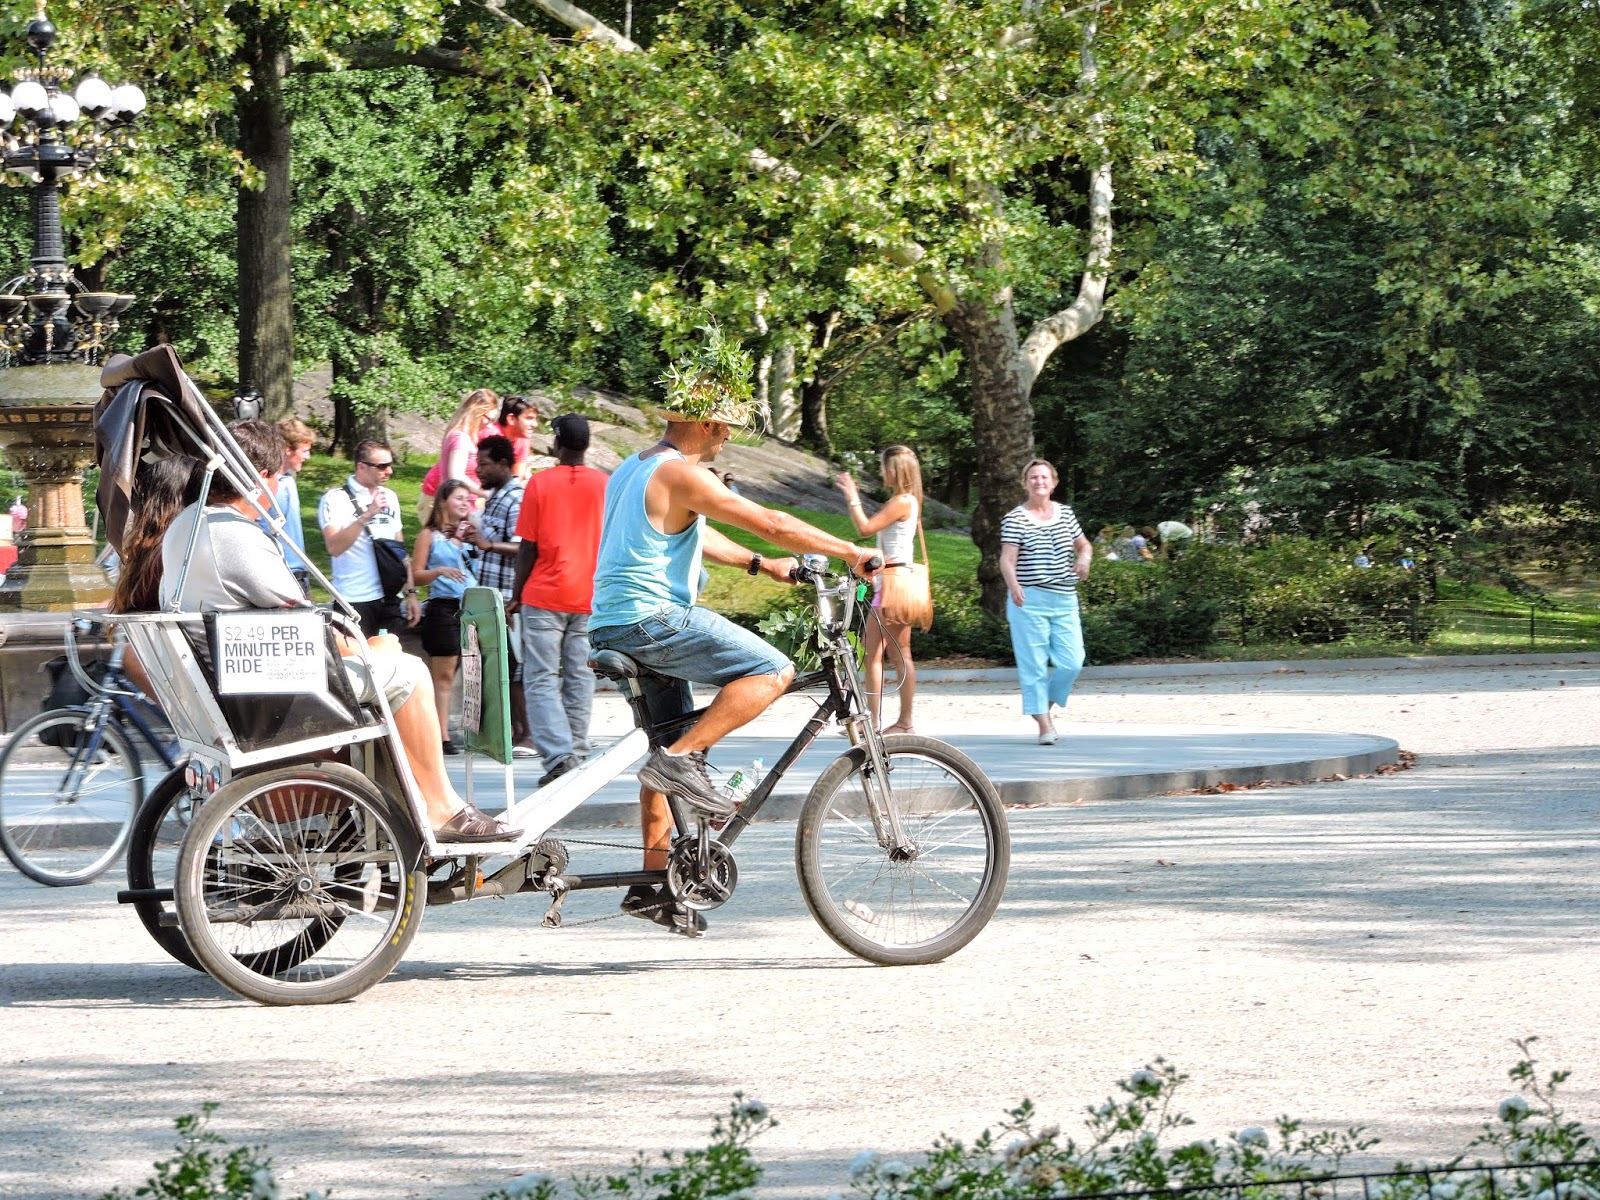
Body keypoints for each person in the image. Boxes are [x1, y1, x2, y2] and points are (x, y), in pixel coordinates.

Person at [586, 339, 877, 935]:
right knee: (772, 672)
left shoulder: (634, 466)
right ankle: (683, 764)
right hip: (654, 618)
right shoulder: (682, 473)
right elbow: (770, 520)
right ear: (707, 423)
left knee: (668, 742)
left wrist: (761, 565)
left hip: (616, 619)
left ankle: (655, 886)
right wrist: (849, 549)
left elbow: (689, 536)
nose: (728, 440)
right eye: (725, 429)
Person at [161, 420, 510, 841]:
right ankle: (440, 809)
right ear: (264, 478)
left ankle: (389, 814)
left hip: (233, 682)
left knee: (386, 657)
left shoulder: (185, 525)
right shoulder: (233, 534)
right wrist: (366, 649)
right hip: (270, 690)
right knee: (411, 671)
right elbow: (305, 623)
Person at [510, 414, 608, 787]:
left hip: (545, 595)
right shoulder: (604, 484)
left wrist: (516, 595)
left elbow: (528, 547)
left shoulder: (540, 483)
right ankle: (578, 752)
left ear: (556, 444)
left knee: (541, 678)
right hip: (590, 596)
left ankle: (558, 758)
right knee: (581, 676)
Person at [999, 459, 1093, 746]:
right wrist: (1013, 585)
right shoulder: (1015, 518)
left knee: (1073, 662)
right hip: (1029, 598)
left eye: (1044, 477)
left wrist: (1084, 559)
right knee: (1034, 666)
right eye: (1033, 477)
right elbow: (1006, 558)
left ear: (1053, 483)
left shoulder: (1066, 514)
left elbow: (1083, 544)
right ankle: (1044, 724)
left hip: (1064, 598)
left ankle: (1042, 706)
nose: (1039, 481)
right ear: (1025, 483)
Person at [835, 444, 924, 734]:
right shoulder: (910, 501)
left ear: (894, 470)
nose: (881, 472)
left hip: (894, 583)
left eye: (884, 467)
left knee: (874, 655)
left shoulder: (901, 501)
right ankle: (903, 722)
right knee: (901, 654)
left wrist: (852, 498)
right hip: (900, 580)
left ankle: (874, 723)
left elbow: (865, 528)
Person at [467, 435, 535, 757]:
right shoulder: (494, 498)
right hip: (491, 594)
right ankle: (512, 730)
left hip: (509, 596)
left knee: (514, 667)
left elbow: (525, 547)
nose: (478, 469)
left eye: (484, 464)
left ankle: (529, 733)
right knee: (499, 666)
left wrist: (489, 544)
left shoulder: (516, 498)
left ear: (504, 464)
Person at [318, 439, 421, 639]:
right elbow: (334, 547)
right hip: (354, 601)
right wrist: (367, 515)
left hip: (389, 599)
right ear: (361, 467)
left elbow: (399, 551)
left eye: (390, 465)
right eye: (382, 466)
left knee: (391, 665)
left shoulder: (390, 496)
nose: (389, 471)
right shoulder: (335, 498)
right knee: (355, 665)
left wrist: (412, 594)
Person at [413, 479, 479, 755]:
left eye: (468, 499)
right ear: (443, 502)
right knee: (444, 676)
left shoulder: (472, 533)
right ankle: (442, 735)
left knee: (475, 673)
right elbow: (416, 574)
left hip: (474, 605)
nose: (465, 504)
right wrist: (439, 570)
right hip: (444, 607)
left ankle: (475, 731)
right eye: (459, 498)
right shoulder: (429, 535)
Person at [418, 388, 500, 520]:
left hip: (465, 507)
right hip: (452, 510)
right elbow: (456, 476)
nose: (490, 425)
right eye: (488, 419)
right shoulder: (459, 438)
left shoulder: (469, 436)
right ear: (476, 412)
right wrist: (487, 493)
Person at [260, 416, 314, 595]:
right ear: (288, 450)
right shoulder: (265, 486)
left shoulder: (289, 480)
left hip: (299, 573)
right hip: (279, 575)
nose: (308, 456)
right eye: (305, 451)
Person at [481, 394, 541, 480]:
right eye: (529, 418)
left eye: (535, 419)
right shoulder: (491, 436)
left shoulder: (523, 439)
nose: (535, 424)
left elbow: (517, 478)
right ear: (511, 419)